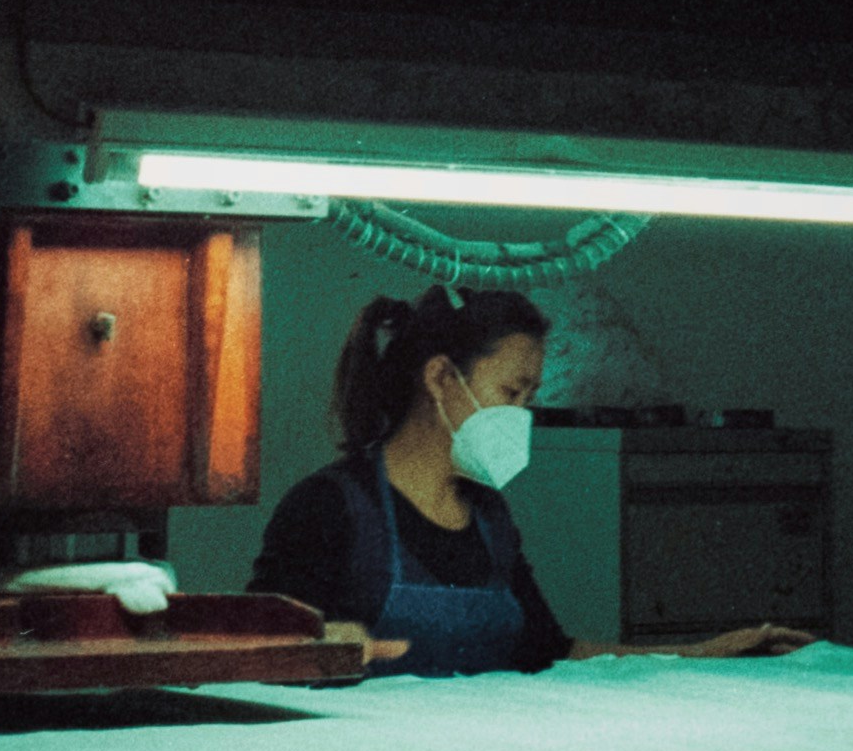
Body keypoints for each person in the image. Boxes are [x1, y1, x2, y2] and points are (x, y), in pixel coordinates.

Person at [248, 285, 819, 676]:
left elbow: (550, 652)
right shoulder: (328, 508)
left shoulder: (490, 519)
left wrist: (693, 655)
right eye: (511, 392)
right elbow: (255, 659)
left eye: (531, 397)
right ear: (441, 378)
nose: (522, 414)